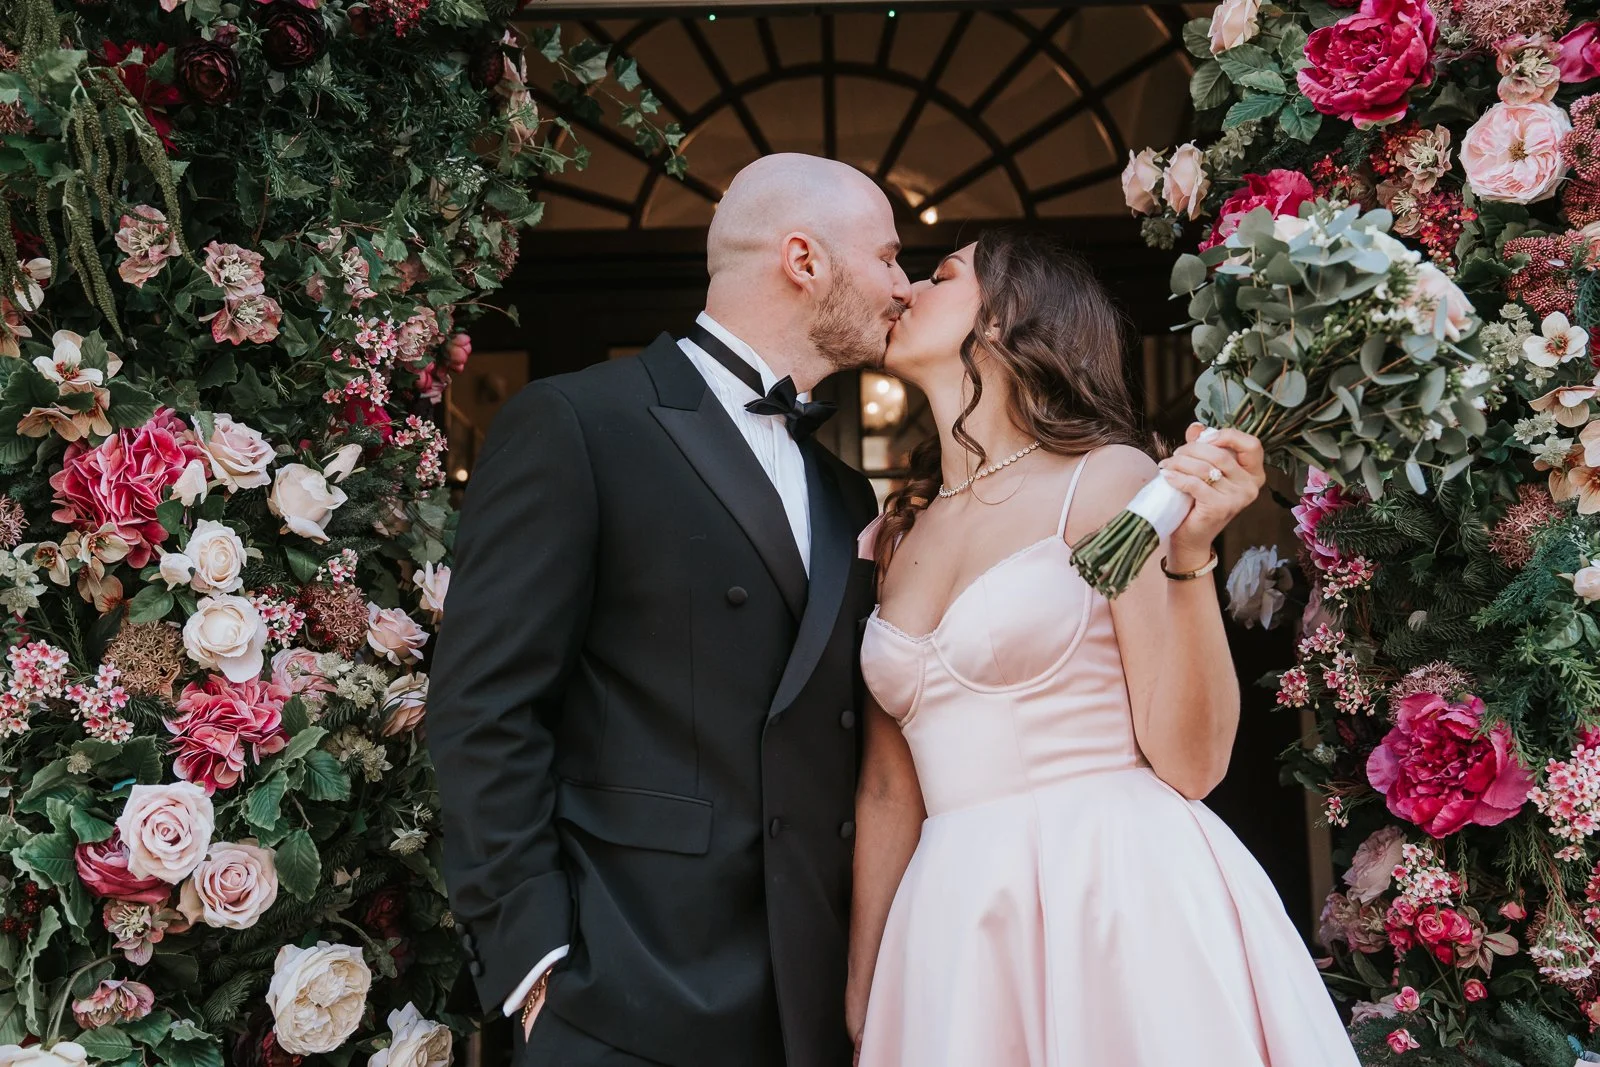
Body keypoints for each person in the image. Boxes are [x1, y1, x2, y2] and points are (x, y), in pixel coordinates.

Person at [427, 153, 909, 1067]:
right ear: (804, 259)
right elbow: (483, 708)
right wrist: (537, 964)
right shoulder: (577, 423)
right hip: (625, 990)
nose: (903, 286)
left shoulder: (847, 492)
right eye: (886, 257)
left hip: (806, 994)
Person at [847, 229, 1359, 1067]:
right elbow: (884, 787)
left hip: (1113, 892)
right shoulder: (896, 535)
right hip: (952, 921)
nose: (903, 290)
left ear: (1008, 318)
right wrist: (867, 976)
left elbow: (1190, 763)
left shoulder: (1112, 480)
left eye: (939, 276)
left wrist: (1190, 555)